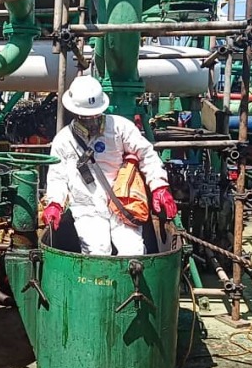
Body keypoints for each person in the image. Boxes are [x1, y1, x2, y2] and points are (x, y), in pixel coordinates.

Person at [43, 75, 177, 256]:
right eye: (86, 117)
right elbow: (57, 176)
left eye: (94, 116)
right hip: (87, 207)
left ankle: (132, 285)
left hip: (122, 203)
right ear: (75, 113)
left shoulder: (120, 128)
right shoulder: (63, 140)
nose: (91, 122)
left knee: (133, 252)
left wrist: (159, 185)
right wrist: (55, 203)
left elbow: (147, 155)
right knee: (96, 252)